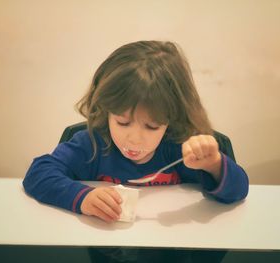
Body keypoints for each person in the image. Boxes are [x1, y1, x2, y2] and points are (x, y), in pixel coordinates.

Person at [23, 40, 249, 262]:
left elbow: (238, 191)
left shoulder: (178, 147)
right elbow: (38, 173)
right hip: (107, 249)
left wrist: (214, 165)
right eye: (122, 122)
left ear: (172, 119)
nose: (134, 138)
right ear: (106, 110)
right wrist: (82, 197)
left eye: (151, 126)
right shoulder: (93, 145)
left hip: (171, 249)